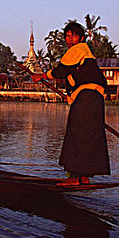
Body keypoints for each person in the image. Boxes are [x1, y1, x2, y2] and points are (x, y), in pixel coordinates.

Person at [32, 21, 110, 185]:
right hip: (95, 99)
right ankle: (84, 177)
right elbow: (71, 74)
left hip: (87, 98)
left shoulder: (79, 49)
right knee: (89, 136)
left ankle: (75, 178)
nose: (70, 40)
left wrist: (42, 76)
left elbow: (62, 71)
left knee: (77, 135)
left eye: (73, 36)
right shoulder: (84, 53)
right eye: (67, 36)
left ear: (81, 38)